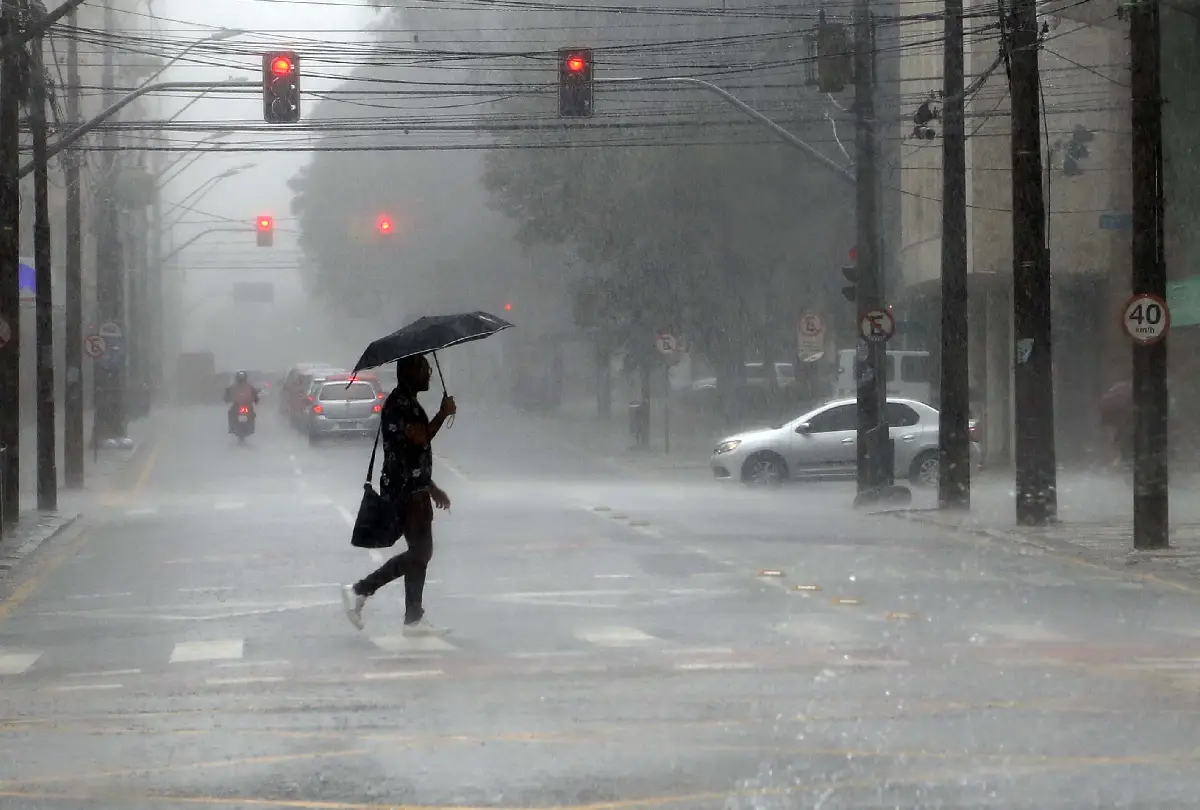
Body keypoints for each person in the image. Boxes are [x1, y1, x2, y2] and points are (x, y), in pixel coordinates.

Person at [341, 354, 456, 636]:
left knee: (421, 551)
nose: (429, 374)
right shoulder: (399, 405)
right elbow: (419, 439)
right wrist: (443, 413)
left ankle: (413, 618)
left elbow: (412, 454)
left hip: (414, 487)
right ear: (409, 372)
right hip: (405, 491)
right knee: (421, 551)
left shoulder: (407, 402)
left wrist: (431, 487)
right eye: (424, 369)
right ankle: (360, 590)